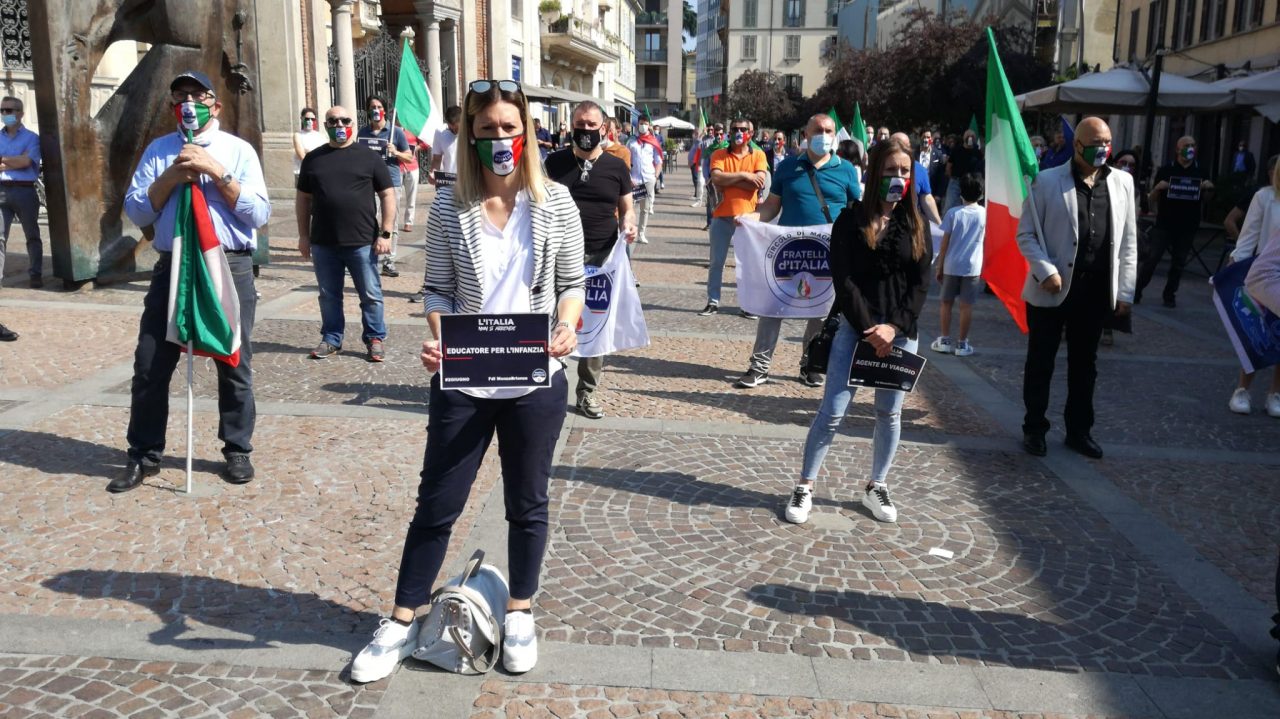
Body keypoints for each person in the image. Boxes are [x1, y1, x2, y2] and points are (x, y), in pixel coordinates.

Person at [349, 78, 585, 683]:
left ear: (526, 132)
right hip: (467, 375)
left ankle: (520, 612)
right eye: (487, 131)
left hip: (536, 375)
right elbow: (438, 290)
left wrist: (565, 324)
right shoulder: (451, 207)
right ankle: (402, 620)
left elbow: (572, 284)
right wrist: (438, 337)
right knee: (437, 504)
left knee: (527, 503)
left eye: (510, 127)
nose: (500, 138)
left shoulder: (556, 202)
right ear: (470, 138)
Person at [108, 70, 271, 493]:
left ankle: (237, 448)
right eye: (180, 95)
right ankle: (143, 455)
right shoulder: (160, 151)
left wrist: (216, 172)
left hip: (226, 264)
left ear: (215, 105)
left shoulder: (238, 151)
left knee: (234, 359)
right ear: (171, 106)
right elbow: (138, 212)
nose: (189, 103)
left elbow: (259, 215)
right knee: (149, 363)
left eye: (198, 96)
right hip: (174, 263)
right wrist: (172, 176)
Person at [784, 136, 932, 526]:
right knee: (832, 411)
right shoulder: (851, 219)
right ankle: (805, 485)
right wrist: (870, 327)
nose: (898, 177)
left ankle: (877, 484)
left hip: (901, 332)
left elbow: (921, 283)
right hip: (856, 328)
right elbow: (843, 278)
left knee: (889, 414)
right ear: (875, 172)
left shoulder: (916, 223)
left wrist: (894, 326)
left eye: (904, 171)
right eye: (890, 170)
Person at [1017, 117, 1137, 460]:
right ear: (1077, 144)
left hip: (1095, 290)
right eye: (1096, 143)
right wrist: (1045, 271)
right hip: (1052, 289)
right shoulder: (1047, 181)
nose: (1103, 149)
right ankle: (1034, 427)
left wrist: (1125, 292)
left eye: (1107, 142)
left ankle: (1079, 430)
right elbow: (1026, 233)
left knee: (1085, 364)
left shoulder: (1123, 183)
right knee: (1041, 361)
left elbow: (1128, 242)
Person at [733, 113, 861, 388]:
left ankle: (810, 364)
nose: (824, 136)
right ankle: (760, 366)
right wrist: (750, 219)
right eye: (818, 130)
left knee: (820, 312)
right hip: (788, 253)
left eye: (829, 131)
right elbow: (771, 207)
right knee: (771, 306)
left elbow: (856, 210)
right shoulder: (789, 167)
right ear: (806, 135)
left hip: (828, 254)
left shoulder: (846, 170)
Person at [544, 100, 636, 419]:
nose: (585, 131)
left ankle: (587, 391)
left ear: (604, 129)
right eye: (579, 125)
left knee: (596, 327)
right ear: (571, 126)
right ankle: (548, 385)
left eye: (591, 126)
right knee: (555, 320)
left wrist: (629, 223)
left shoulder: (616, 166)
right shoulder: (553, 163)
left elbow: (627, 208)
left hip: (602, 255)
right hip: (558, 255)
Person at [295, 105, 395, 362]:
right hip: (323, 241)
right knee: (329, 295)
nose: (339, 125)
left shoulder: (369, 157)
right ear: (325, 125)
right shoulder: (313, 158)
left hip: (362, 240)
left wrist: (386, 233)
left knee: (370, 294)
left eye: (344, 120)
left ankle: (375, 338)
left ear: (353, 122)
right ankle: (331, 338)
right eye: (333, 121)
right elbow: (303, 200)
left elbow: (387, 195)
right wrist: (303, 236)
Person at [1226, 154, 1280, 417]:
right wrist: (1235, 270)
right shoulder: (1264, 197)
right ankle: (1242, 389)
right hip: (1264, 276)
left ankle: (1275, 393)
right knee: (1256, 335)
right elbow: (1248, 236)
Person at [700, 117, 767, 318]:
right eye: (735, 129)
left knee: (746, 264)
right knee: (716, 262)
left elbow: (759, 183)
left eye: (743, 129)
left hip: (747, 217)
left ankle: (747, 305)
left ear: (751, 133)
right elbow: (716, 178)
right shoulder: (719, 154)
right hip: (721, 215)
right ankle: (713, 301)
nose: (738, 132)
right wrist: (746, 176)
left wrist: (729, 180)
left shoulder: (759, 155)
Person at [1136, 135, 1213, 308]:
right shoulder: (1166, 169)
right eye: (1187, 145)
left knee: (1179, 264)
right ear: (1178, 149)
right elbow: (1152, 199)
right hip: (1164, 224)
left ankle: (1169, 295)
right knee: (1151, 260)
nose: (1190, 148)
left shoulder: (1201, 171)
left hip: (1188, 225)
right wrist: (1157, 188)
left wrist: (1209, 188)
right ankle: (1137, 291)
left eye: (1193, 145)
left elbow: (1207, 199)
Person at [930, 173, 986, 357]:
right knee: (966, 305)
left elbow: (944, 243)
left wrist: (939, 265)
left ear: (961, 193)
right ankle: (962, 343)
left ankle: (945, 339)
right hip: (973, 266)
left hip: (952, 264)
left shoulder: (953, 213)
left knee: (946, 303)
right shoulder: (984, 214)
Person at [356, 95, 412, 278]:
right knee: (368, 220)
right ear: (367, 111)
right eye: (372, 107)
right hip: (368, 183)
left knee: (391, 223)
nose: (376, 110)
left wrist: (395, 152)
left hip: (391, 182)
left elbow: (409, 156)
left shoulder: (396, 132)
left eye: (379, 106)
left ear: (384, 110)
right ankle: (370, 258)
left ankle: (389, 260)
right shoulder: (362, 132)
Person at [0, 95, 43, 291]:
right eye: (2, 110)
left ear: (21, 113)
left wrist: (4, 160)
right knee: (0, 237)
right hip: (2, 190)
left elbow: (28, 162)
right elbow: (21, 161)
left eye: (10, 110)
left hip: (25, 191)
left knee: (32, 234)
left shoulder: (32, 138)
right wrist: (18, 158)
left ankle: (35, 274)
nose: (5, 114)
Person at [628, 116, 662, 245]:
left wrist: (655, 176)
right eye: (641, 123)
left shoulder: (652, 141)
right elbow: (626, 160)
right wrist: (628, 177)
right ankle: (629, 231)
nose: (643, 126)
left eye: (645, 124)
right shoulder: (631, 141)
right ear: (638, 125)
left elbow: (658, 161)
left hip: (648, 178)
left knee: (645, 209)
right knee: (629, 207)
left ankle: (641, 233)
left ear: (649, 125)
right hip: (634, 179)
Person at [891, 133, 940, 225]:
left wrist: (939, 225)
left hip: (910, 224)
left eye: (903, 145)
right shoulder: (878, 167)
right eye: (895, 144)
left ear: (909, 147)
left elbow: (926, 198)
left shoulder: (920, 170)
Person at [944, 129, 983, 212]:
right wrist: (952, 178)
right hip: (956, 182)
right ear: (964, 138)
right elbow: (949, 166)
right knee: (950, 206)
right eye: (968, 136)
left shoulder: (978, 153)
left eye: (972, 136)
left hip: (970, 184)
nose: (970, 138)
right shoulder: (956, 150)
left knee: (969, 208)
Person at [399, 123, 427, 231]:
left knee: (411, 196)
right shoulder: (393, 129)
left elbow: (425, 143)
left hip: (412, 166)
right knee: (395, 196)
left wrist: (415, 148)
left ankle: (409, 221)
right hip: (397, 166)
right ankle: (393, 220)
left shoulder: (412, 128)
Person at [699, 124, 724, 230]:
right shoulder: (709, 149)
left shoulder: (727, 147)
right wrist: (706, 177)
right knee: (711, 201)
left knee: (723, 200)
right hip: (711, 179)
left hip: (725, 179)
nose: (719, 136)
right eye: (717, 134)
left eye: (721, 134)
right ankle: (710, 222)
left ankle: (723, 223)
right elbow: (705, 164)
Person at [291, 106, 327, 178]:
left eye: (312, 119)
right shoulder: (297, 135)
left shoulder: (321, 136)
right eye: (307, 119)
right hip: (302, 172)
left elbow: (325, 155)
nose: (309, 121)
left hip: (319, 171)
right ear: (302, 119)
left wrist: (309, 152)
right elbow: (302, 155)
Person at [688, 132, 705, 206]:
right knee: (696, 180)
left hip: (697, 164)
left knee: (698, 181)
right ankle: (697, 195)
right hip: (694, 163)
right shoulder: (695, 142)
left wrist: (701, 134)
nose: (693, 135)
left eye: (695, 133)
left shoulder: (699, 142)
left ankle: (698, 197)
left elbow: (699, 145)